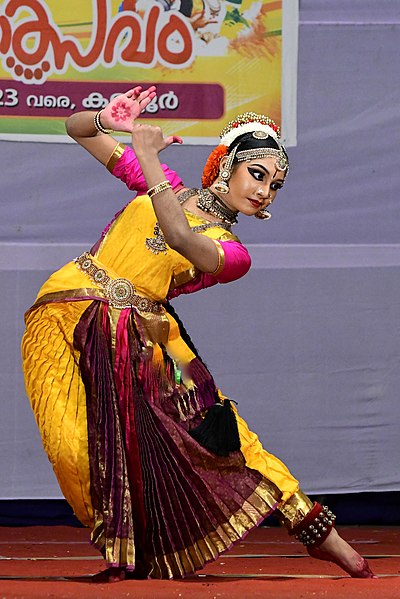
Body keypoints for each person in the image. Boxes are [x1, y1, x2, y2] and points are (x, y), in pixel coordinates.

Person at [22, 85, 375, 582]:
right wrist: (104, 119)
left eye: (274, 186)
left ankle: (317, 531)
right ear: (226, 165)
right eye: (257, 174)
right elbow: (75, 130)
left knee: (229, 437)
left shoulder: (232, 252)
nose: (263, 191)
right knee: (69, 448)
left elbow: (178, 236)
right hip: (60, 310)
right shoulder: (165, 183)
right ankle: (126, 548)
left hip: (146, 339)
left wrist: (146, 160)